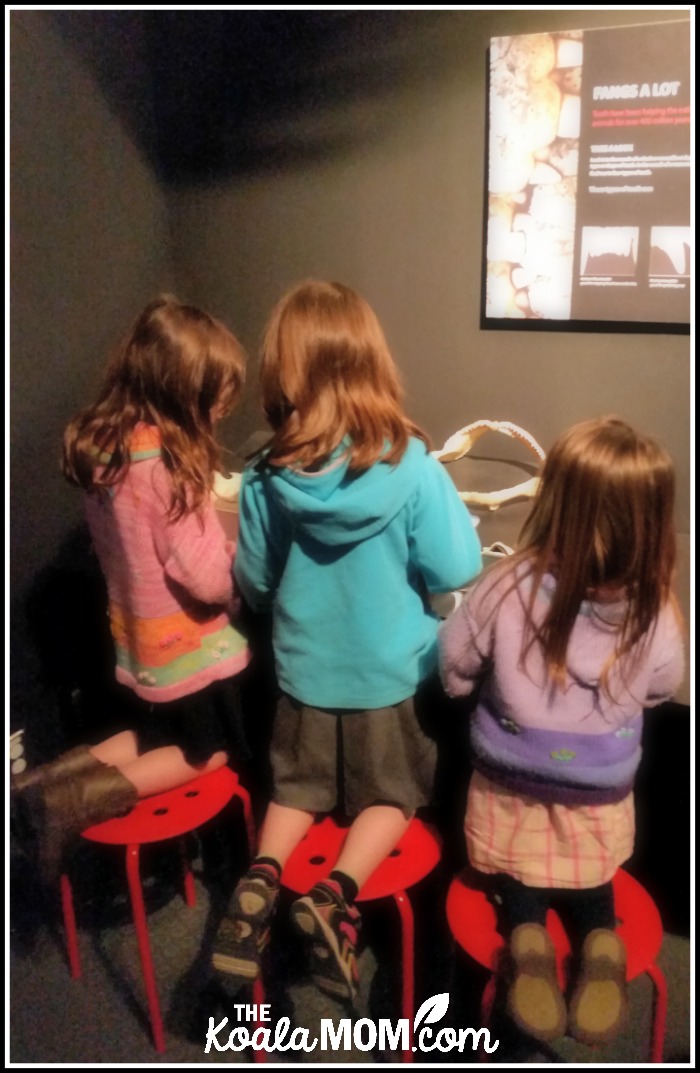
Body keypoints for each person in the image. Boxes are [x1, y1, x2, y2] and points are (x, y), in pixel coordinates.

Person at [210, 279, 482, 1002]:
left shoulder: (267, 474)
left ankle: (260, 878)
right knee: (393, 795)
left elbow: (259, 584)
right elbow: (459, 567)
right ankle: (336, 894)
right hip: (389, 679)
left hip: (303, 676)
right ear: (371, 362)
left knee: (295, 788)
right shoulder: (411, 463)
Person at [439, 415, 685, 1047]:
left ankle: (524, 934)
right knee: (594, 867)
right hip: (600, 790)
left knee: (519, 871)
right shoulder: (657, 609)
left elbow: (454, 667)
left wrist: (468, 692)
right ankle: (598, 934)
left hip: (511, 779)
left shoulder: (507, 583)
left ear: (555, 503)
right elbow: (664, 685)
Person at [13, 295, 251, 884]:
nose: (221, 410)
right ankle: (69, 802)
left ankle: (41, 782)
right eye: (216, 398)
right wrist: (239, 566)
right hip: (189, 648)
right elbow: (201, 575)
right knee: (210, 751)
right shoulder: (166, 467)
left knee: (151, 734)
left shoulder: (109, 451)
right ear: (180, 391)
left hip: (141, 643)